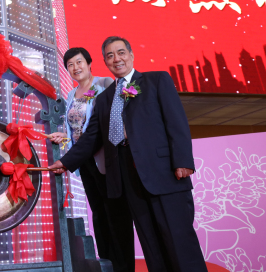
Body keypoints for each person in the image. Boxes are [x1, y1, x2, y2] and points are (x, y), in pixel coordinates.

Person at [49, 36, 207, 272]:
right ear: (105, 61)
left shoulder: (156, 80)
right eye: (110, 56)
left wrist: (182, 161)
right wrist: (64, 162)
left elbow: (176, 122)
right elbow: (91, 137)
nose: (116, 59)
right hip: (127, 180)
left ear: (131, 55)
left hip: (164, 175)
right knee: (151, 245)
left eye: (121, 53)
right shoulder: (104, 98)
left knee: (179, 241)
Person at [48, 47, 134, 271]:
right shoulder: (71, 95)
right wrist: (64, 136)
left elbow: (117, 114)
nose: (75, 68)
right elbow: (76, 128)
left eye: (79, 62)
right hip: (84, 161)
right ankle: (106, 263)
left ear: (88, 63)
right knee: (98, 212)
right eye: (70, 65)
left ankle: (123, 266)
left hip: (107, 158)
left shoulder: (105, 84)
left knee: (116, 212)